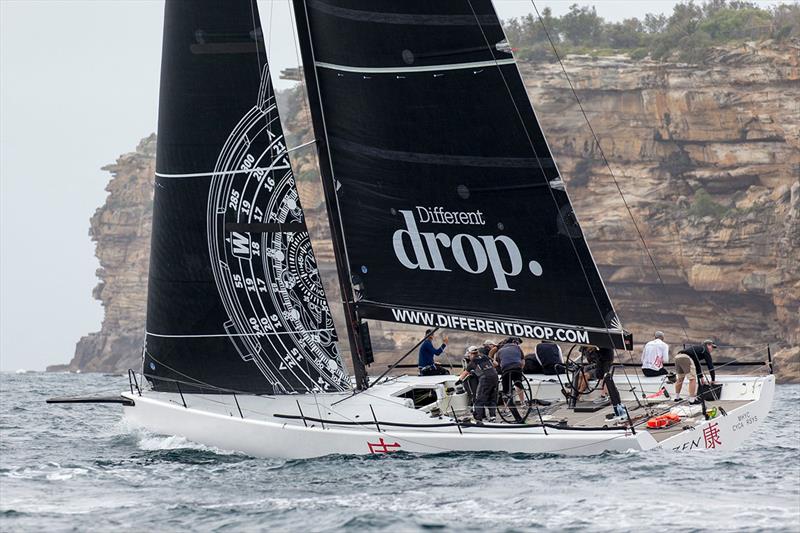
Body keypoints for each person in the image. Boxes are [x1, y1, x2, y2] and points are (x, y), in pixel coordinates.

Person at [455, 346, 498, 423]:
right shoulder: (485, 356)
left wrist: (459, 380)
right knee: (492, 397)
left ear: (471, 354)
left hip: (485, 379)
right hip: (495, 376)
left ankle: (478, 418)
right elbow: (495, 364)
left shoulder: (473, 361)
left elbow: (465, 372)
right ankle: (493, 417)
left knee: (479, 399)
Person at [674, 339, 717, 404]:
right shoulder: (705, 350)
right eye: (712, 347)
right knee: (692, 379)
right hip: (686, 358)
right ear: (708, 345)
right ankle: (692, 400)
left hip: (678, 357)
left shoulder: (698, 349)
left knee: (680, 379)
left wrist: (701, 377)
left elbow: (697, 364)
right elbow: (710, 365)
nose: (712, 349)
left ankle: (677, 398)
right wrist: (713, 379)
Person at [495, 337, 527, 416]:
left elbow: (498, 363)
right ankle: (523, 403)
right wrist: (520, 371)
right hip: (517, 368)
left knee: (506, 390)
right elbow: (523, 362)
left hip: (506, 369)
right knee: (518, 384)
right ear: (514, 342)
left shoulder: (500, 351)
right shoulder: (517, 348)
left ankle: (506, 408)